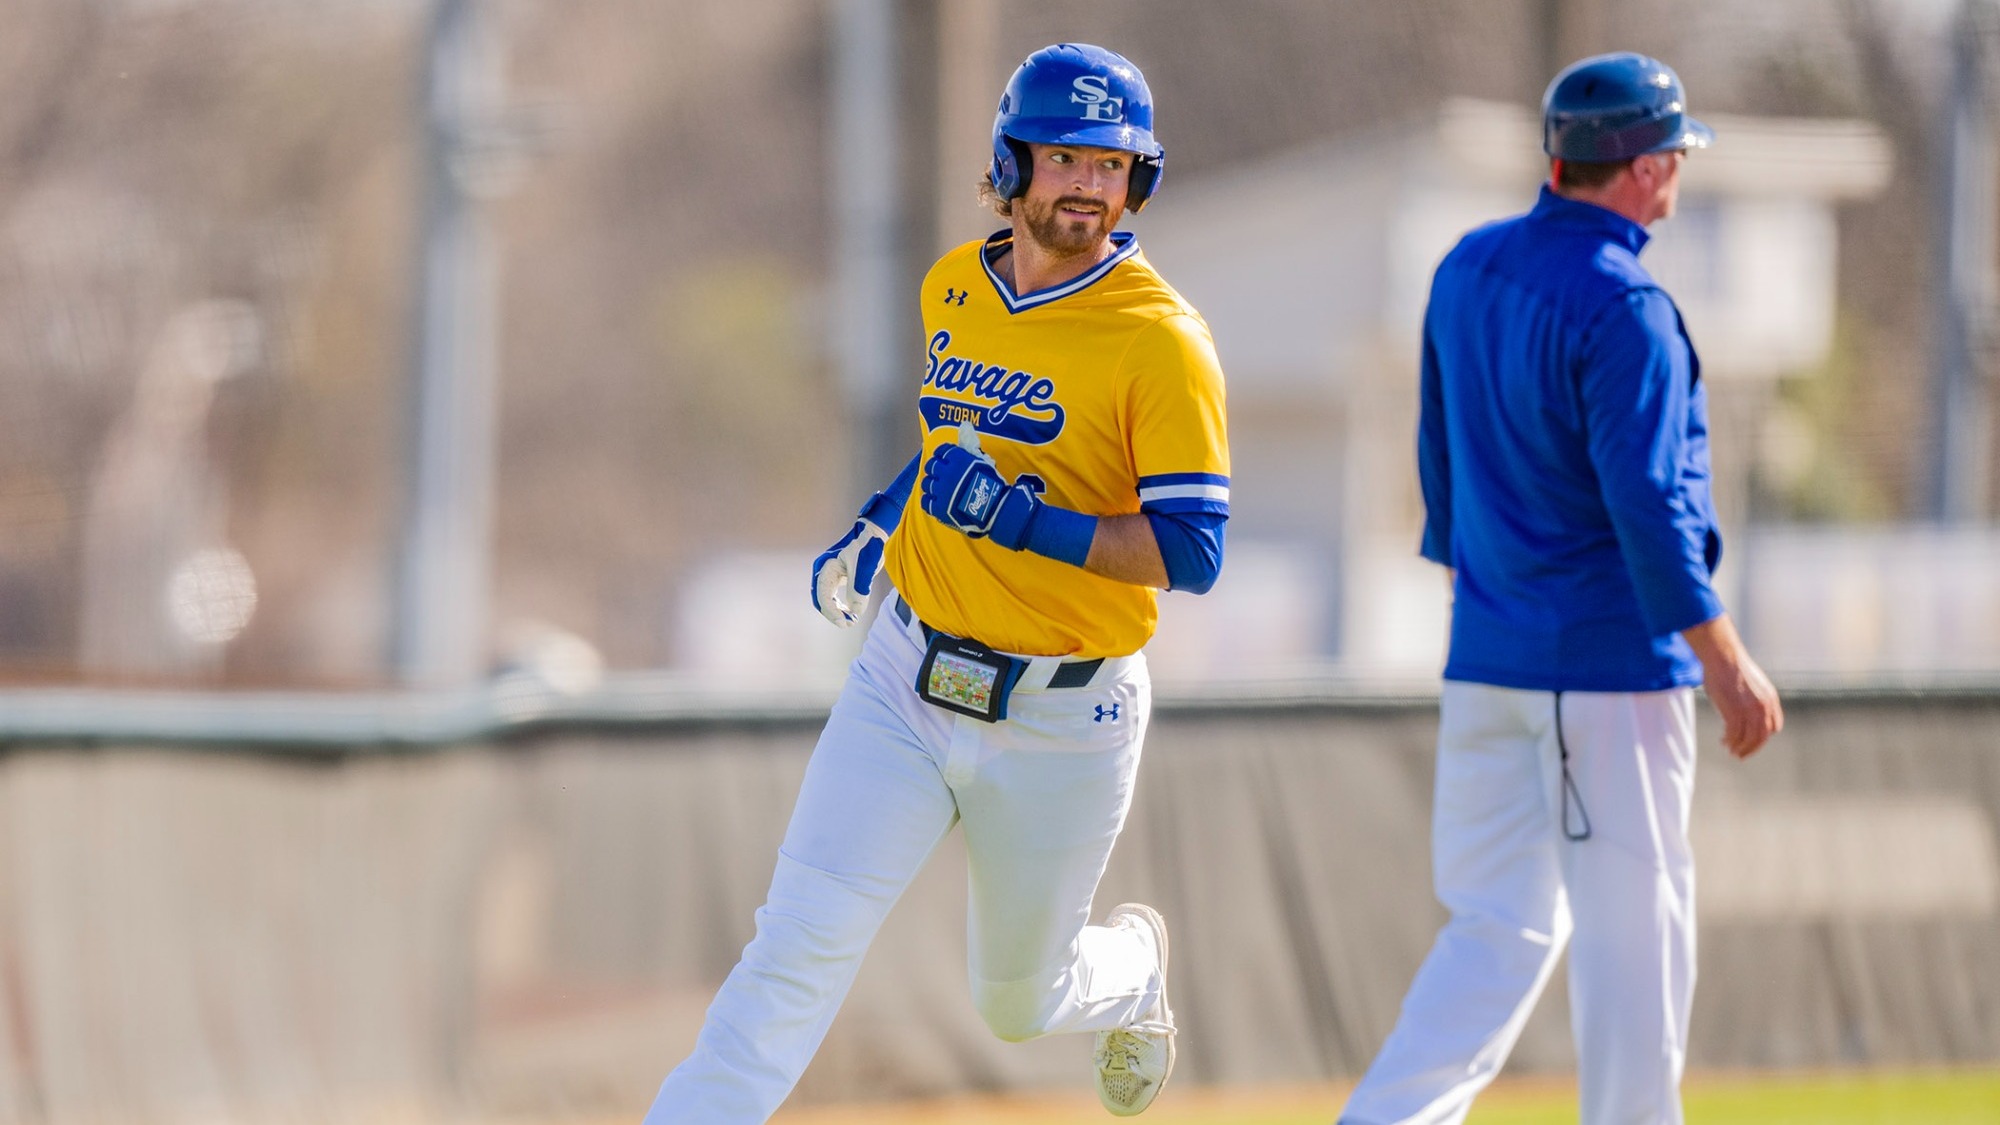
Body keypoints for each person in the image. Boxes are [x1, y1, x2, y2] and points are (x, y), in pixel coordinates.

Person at [643, 43, 1230, 1123]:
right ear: (1011, 164)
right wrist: (885, 513)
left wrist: (1019, 522)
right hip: (905, 675)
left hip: (1065, 708)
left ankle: (1131, 973)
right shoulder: (954, 283)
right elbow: (950, 443)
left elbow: (1192, 549)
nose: (1086, 186)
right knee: (795, 949)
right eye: (1063, 157)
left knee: (1019, 1000)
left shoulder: (1161, 342)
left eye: (1110, 164)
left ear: (1137, 178)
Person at [1336, 53, 1784, 1125]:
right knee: (1637, 934)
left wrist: (1491, 610)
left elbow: (1436, 472)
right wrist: (1724, 659)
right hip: (1608, 673)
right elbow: (1647, 507)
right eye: (1670, 147)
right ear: (1636, 165)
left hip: (1486, 660)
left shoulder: (1465, 269)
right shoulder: (1625, 307)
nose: (1677, 165)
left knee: (1495, 931)